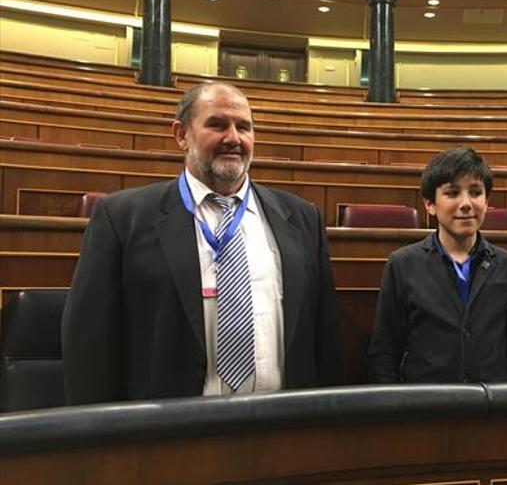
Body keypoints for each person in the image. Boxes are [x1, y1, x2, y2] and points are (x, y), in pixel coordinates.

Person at [62, 82, 342, 404]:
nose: (234, 138)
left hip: (282, 428)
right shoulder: (122, 218)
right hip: (169, 433)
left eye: (244, 127)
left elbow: (325, 339)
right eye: (217, 125)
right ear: (182, 134)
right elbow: (89, 343)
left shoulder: (301, 218)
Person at [367, 146, 507, 383]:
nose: (466, 203)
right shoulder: (402, 265)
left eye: (475, 192)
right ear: (430, 204)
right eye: (452, 193)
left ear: (486, 200)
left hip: (493, 410)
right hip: (425, 408)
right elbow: (384, 355)